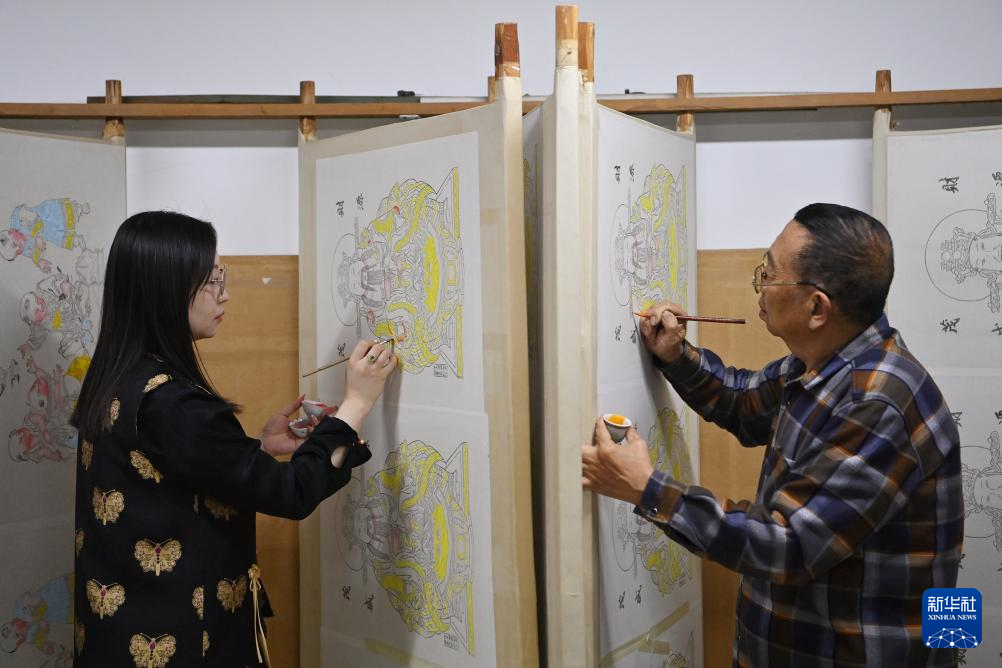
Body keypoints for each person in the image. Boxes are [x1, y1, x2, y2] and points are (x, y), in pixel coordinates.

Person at [582, 203, 963, 666]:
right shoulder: (824, 362)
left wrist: (648, 489)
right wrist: (676, 355)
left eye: (769, 274)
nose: (759, 285)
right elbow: (744, 402)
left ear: (817, 307)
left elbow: (789, 545)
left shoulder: (879, 403)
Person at [70, 211, 396, 667]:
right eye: (211, 281)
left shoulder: (117, 375)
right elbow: (292, 492)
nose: (224, 293)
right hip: (182, 644)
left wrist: (255, 450)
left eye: (221, 276)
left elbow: (169, 472)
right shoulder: (173, 404)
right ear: (166, 289)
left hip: (117, 637)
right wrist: (356, 403)